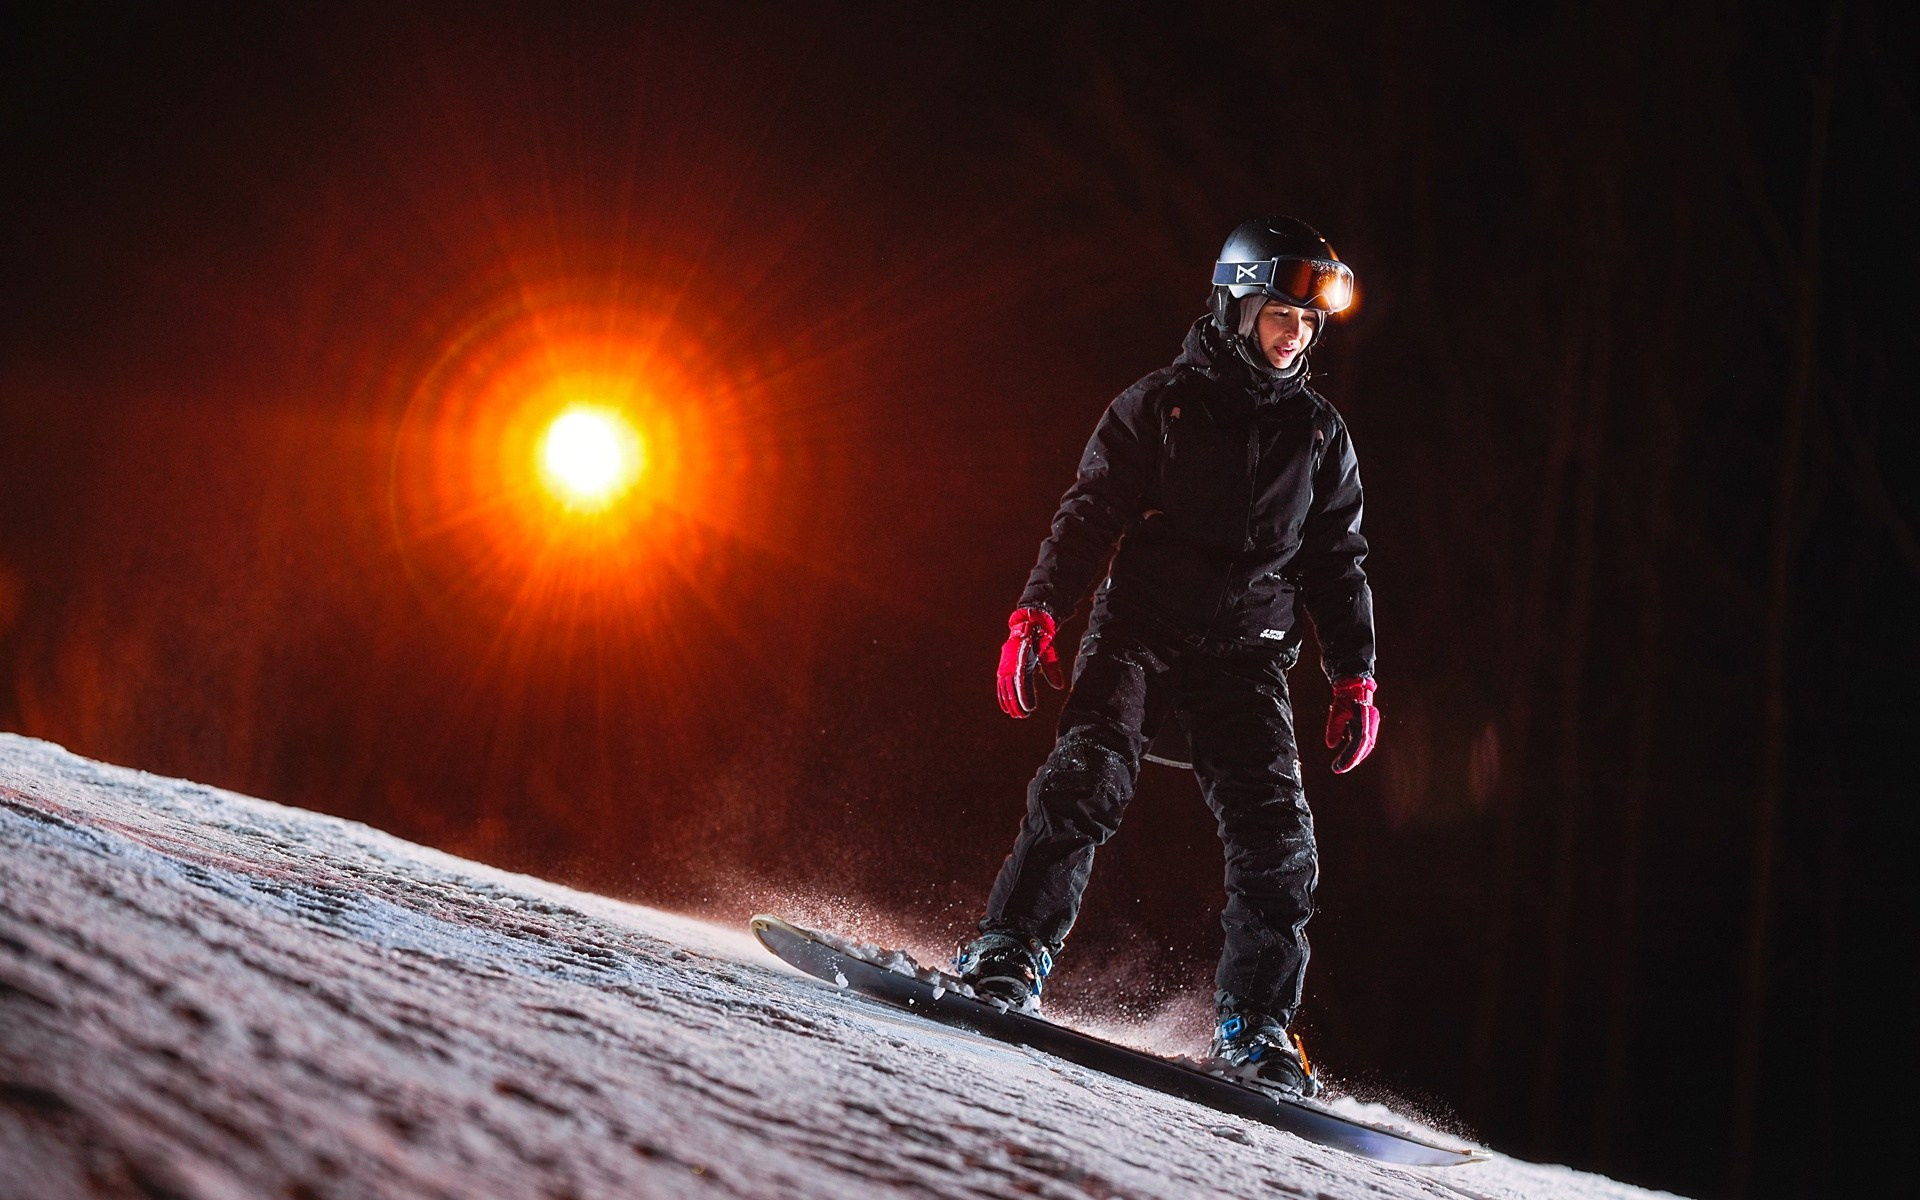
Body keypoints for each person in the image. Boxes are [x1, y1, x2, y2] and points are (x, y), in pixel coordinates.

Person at [956, 216, 1381, 1098]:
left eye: (1307, 324)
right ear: (1236, 304)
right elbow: (1090, 512)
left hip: (1248, 660)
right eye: (1280, 315)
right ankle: (1009, 954)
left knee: (1280, 841)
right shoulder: (1160, 404)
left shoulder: (1319, 436)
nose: (1294, 334)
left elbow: (1337, 562)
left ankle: (1253, 1025)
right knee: (1087, 778)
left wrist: (1353, 674)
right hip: (1140, 634)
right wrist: (1037, 613)